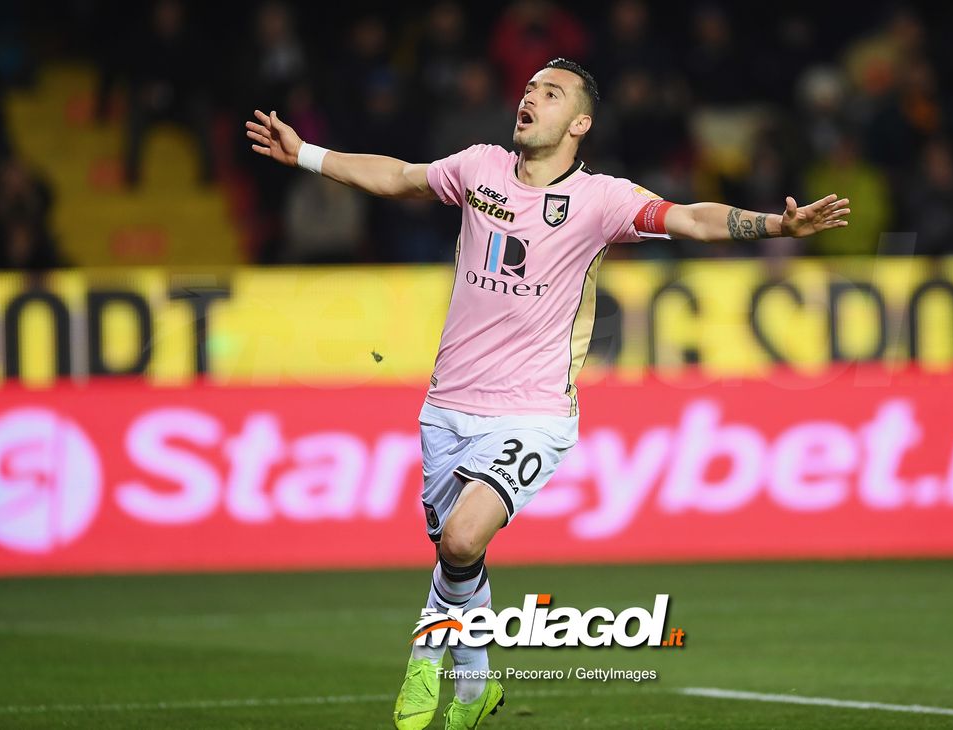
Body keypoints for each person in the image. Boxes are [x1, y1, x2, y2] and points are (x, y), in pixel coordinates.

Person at [245, 58, 850, 730]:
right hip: (447, 408)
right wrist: (306, 155)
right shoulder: (479, 168)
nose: (531, 98)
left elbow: (692, 219)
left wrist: (775, 226)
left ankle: (425, 656)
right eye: (530, 88)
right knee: (460, 558)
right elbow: (399, 177)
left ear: (580, 123)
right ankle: (476, 688)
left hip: (534, 413)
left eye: (551, 93)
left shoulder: (601, 200)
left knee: (460, 538)